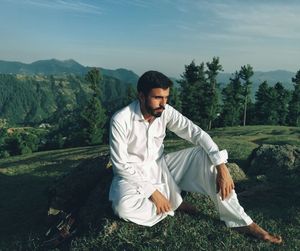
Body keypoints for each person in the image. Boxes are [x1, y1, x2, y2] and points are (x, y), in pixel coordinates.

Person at [109, 70, 282, 244]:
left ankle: (243, 223)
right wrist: (154, 193)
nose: (163, 103)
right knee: (123, 208)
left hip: (161, 166)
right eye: (157, 98)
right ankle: (174, 203)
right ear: (141, 95)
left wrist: (221, 166)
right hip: (132, 175)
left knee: (204, 155)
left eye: (166, 97)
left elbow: (196, 133)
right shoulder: (121, 119)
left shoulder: (165, 111)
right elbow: (121, 165)